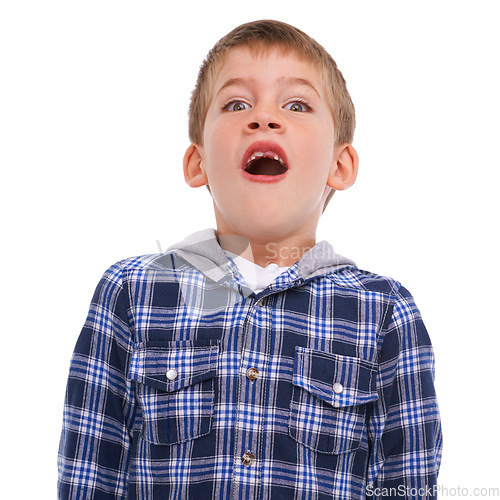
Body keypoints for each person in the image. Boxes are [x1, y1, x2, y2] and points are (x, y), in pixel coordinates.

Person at [58, 19, 442, 499]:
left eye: (296, 105)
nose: (263, 118)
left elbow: (407, 483)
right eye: (237, 104)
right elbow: (88, 473)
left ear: (339, 166)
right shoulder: (132, 292)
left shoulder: (384, 312)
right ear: (197, 163)